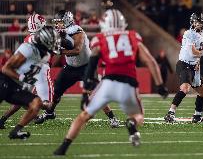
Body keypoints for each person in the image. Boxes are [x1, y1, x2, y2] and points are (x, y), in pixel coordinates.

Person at [53, 9, 168, 155]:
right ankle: (131, 124)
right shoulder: (133, 36)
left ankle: (63, 147)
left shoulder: (100, 38)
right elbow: (150, 61)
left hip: (108, 83)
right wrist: (160, 85)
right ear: (123, 23)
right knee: (138, 116)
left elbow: (92, 64)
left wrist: (85, 91)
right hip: (128, 84)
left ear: (104, 24)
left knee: (84, 116)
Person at [34, 10, 120, 128]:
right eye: (57, 22)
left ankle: (112, 117)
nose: (57, 25)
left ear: (67, 21)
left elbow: (77, 50)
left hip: (86, 66)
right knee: (56, 90)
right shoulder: (59, 33)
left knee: (95, 92)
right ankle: (49, 112)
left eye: (60, 22)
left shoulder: (77, 30)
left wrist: (60, 51)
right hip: (70, 67)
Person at [0, 26, 61, 139]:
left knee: (36, 103)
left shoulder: (45, 55)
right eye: (52, 40)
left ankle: (15, 131)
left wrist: (45, 101)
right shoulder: (28, 48)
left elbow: (38, 75)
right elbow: (5, 69)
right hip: (4, 81)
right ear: (44, 41)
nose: (54, 43)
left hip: (16, 86)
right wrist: (23, 78)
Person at [164, 13, 203, 123]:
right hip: (184, 64)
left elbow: (197, 55)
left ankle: (197, 116)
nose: (199, 25)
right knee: (185, 89)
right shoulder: (189, 33)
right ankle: (170, 113)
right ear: (192, 22)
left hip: (194, 66)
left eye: (201, 23)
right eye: (197, 22)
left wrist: (201, 60)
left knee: (202, 92)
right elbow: (193, 52)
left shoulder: (200, 36)